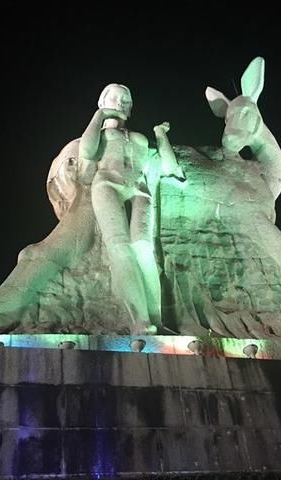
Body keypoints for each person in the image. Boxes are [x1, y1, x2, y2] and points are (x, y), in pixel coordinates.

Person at [79, 83, 184, 334]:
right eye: (115, 98)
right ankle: (139, 319)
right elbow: (87, 151)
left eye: (126, 100)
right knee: (120, 246)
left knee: (144, 250)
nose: (121, 103)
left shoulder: (140, 138)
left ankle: (157, 319)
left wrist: (160, 134)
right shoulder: (101, 134)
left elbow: (169, 167)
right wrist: (100, 116)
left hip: (139, 187)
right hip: (108, 183)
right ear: (102, 102)